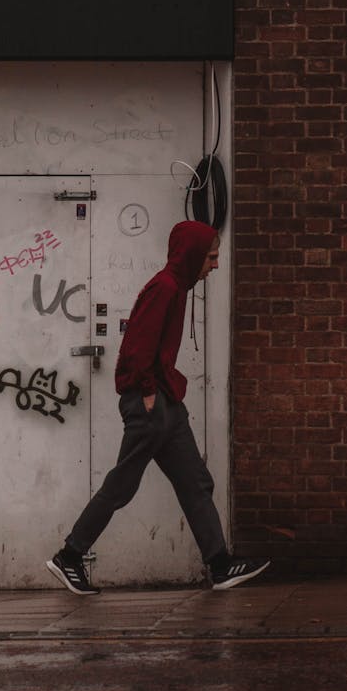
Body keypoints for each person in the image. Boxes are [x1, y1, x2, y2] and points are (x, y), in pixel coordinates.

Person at [46, 220, 270, 595]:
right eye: (211, 257)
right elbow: (136, 347)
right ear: (194, 254)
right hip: (150, 403)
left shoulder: (177, 288)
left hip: (166, 401)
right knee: (122, 485)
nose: (214, 264)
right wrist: (148, 392)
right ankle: (69, 556)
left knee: (195, 481)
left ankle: (220, 566)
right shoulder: (164, 288)